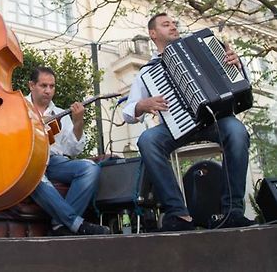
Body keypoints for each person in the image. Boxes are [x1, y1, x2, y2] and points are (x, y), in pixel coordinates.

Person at [123, 13, 255, 231]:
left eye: (174, 24)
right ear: (153, 34)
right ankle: (178, 213)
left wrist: (237, 65)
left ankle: (232, 211)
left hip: (215, 120)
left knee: (237, 131)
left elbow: (240, 82)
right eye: (166, 25)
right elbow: (128, 112)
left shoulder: (205, 48)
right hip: (176, 126)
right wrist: (142, 105)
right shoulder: (147, 72)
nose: (173, 27)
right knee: (147, 140)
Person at [26, 66, 110, 236]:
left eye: (52, 86)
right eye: (43, 85)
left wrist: (78, 123)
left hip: (54, 161)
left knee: (90, 168)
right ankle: (76, 224)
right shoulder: (18, 107)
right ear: (31, 85)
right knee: (33, 175)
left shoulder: (59, 113)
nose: (48, 91)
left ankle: (59, 224)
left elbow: (73, 149)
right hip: (27, 160)